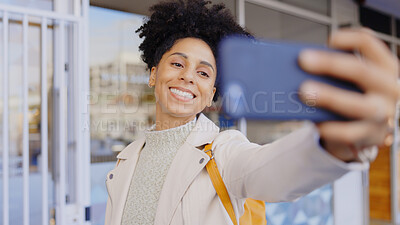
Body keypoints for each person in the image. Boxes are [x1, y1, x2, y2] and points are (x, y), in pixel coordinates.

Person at [105, 0, 400, 225]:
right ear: (153, 75)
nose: (189, 77)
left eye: (204, 73)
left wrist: (333, 147)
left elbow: (271, 171)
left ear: (211, 96)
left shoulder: (222, 152)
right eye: (178, 64)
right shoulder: (126, 159)